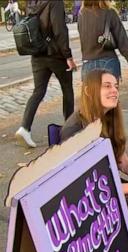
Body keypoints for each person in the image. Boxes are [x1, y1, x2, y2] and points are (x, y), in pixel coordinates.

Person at [60, 69, 128, 252]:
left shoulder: (107, 119)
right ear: (89, 91)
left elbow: (123, 161)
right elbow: (86, 187)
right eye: (107, 86)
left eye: (116, 86)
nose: (114, 91)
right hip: (89, 202)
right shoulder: (75, 130)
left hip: (111, 187)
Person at [15, 0, 77, 148]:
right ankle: (69, 130)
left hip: (37, 54)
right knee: (67, 89)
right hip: (55, 54)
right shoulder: (55, 2)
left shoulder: (32, 2)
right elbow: (59, 30)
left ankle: (24, 127)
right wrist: (68, 56)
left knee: (38, 91)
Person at [78, 0, 128, 81]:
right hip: (108, 61)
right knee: (110, 93)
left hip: (88, 63)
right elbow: (121, 38)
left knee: (91, 93)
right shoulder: (110, 12)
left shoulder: (82, 14)